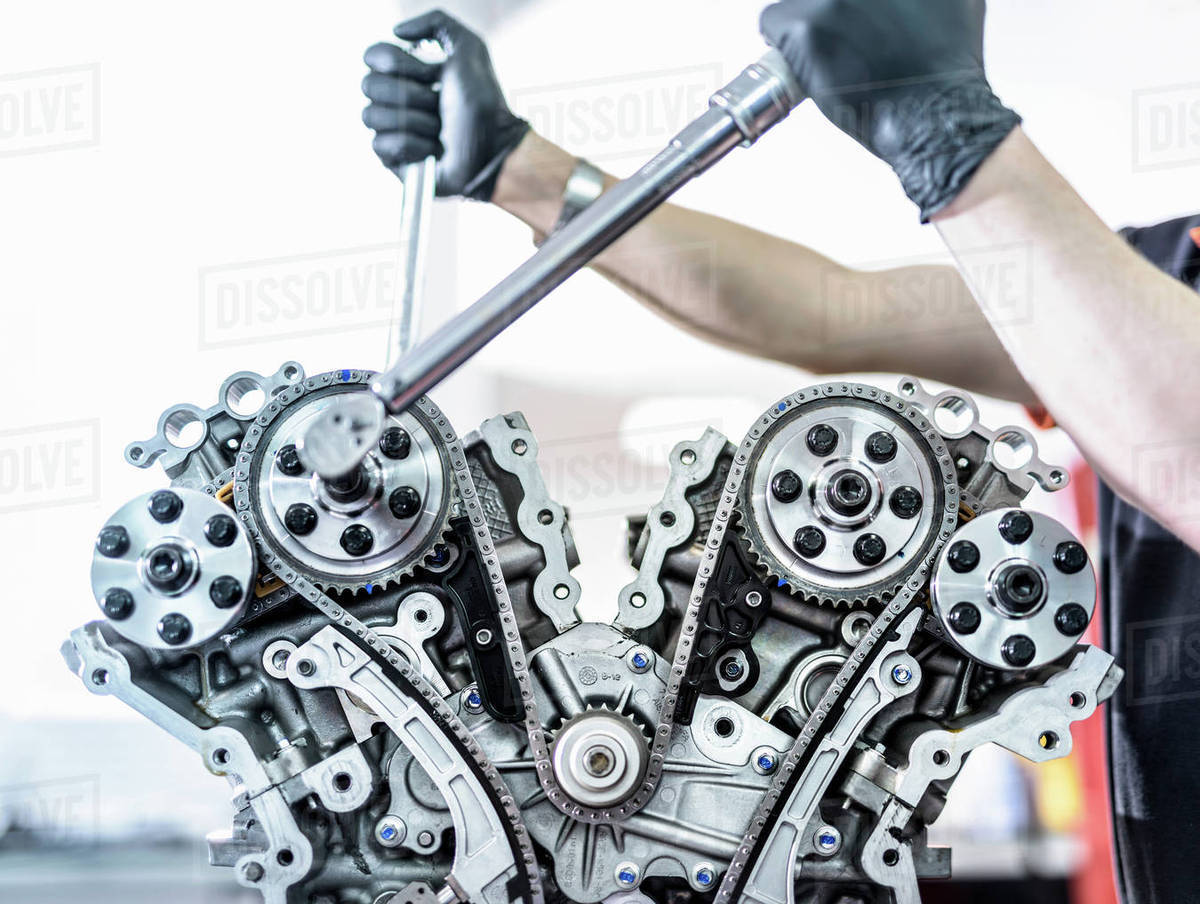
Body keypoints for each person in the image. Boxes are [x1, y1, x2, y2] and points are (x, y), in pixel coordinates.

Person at [360, 3, 1200, 901]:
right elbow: (823, 309)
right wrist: (521, 170)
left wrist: (952, 130)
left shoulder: (1143, 317)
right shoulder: (1161, 275)